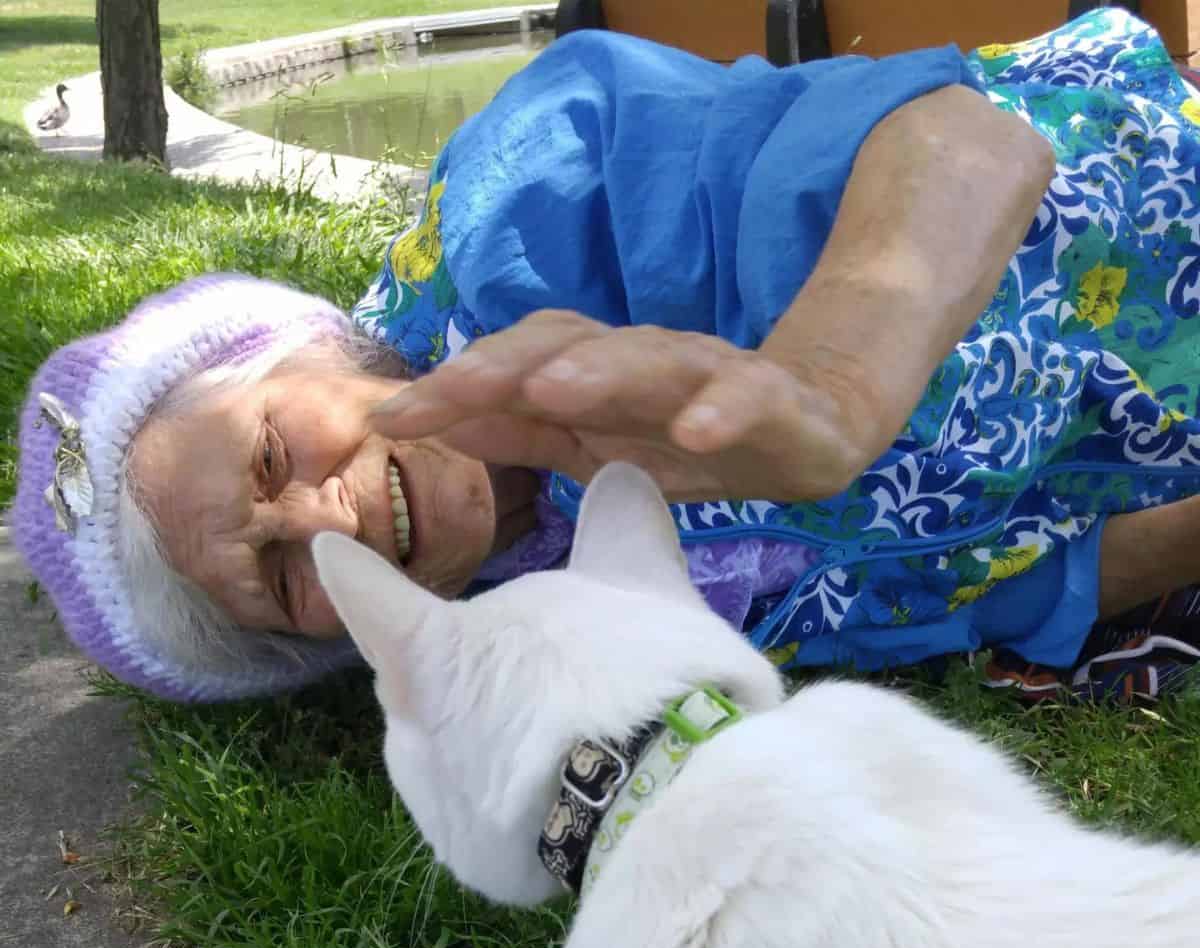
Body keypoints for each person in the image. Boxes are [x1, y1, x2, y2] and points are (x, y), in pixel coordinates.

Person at [14, 9, 1200, 703]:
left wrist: (834, 386)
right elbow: (1015, 584)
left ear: (310, 346)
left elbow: (969, 144)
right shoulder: (561, 643)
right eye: (280, 584)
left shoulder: (524, 201)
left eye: (271, 453)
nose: (326, 526)